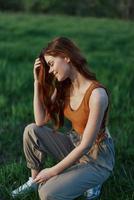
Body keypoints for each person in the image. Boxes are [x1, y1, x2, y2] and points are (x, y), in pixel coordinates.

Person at [11, 37, 115, 200]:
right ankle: (35, 180)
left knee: (47, 193)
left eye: (51, 64)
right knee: (31, 130)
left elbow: (87, 144)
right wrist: (36, 83)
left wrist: (53, 171)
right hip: (75, 145)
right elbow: (40, 121)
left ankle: (93, 181)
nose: (50, 70)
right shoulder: (64, 86)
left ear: (66, 56)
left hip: (97, 157)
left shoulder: (97, 95)